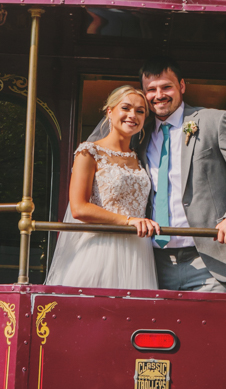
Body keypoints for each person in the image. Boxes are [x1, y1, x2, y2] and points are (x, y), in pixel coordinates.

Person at [138, 57, 226, 293]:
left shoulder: (213, 120)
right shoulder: (139, 135)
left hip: (211, 259)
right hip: (153, 261)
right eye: (151, 90)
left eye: (166, 87)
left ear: (182, 86)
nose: (159, 95)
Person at [45, 86, 159, 289]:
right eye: (126, 108)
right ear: (109, 111)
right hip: (99, 249)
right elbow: (79, 208)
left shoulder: (140, 157)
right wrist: (128, 221)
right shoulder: (89, 152)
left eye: (140, 111)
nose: (132, 115)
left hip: (137, 252)